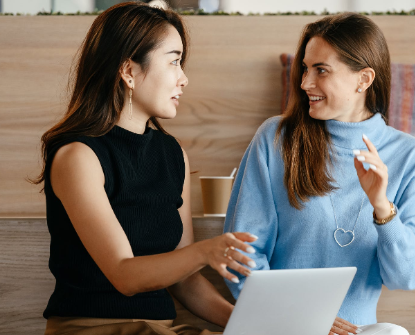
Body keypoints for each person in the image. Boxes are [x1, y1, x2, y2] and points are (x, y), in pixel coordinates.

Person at [30, 3, 257, 335]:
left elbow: (185, 281)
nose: (184, 78)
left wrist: (252, 323)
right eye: (174, 61)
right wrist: (205, 251)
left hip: (158, 328)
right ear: (129, 72)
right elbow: (124, 275)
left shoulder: (172, 153)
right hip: (91, 328)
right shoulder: (78, 156)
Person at [224, 13, 415, 335]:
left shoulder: (409, 155)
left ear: (363, 79)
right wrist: (302, 321)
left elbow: (408, 276)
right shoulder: (276, 139)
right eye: (305, 68)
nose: (305, 83)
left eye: (321, 70)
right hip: (280, 327)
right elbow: (241, 255)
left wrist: (382, 208)